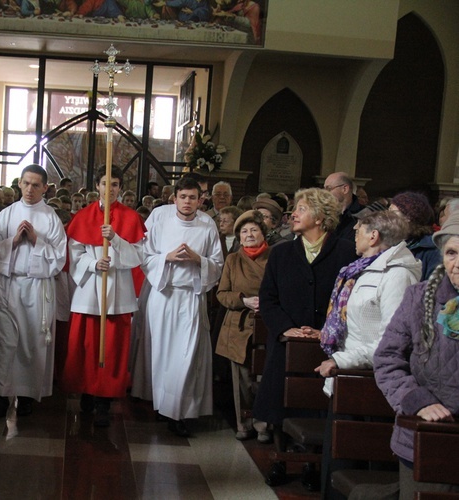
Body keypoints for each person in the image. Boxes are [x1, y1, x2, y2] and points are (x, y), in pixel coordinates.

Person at [311, 209, 420, 497]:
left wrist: (341, 359)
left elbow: (392, 340)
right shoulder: (361, 268)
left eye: (358, 230)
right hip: (350, 379)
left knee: (362, 473)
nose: (354, 235)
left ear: (374, 236)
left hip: (371, 383)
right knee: (336, 466)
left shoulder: (397, 276)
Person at [256, 187, 357, 488]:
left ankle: (312, 464)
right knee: (279, 403)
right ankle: (280, 460)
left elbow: (348, 299)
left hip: (324, 344)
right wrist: (285, 328)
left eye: (302, 208)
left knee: (314, 404)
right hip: (286, 343)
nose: (294, 214)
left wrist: (326, 329)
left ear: (321, 216)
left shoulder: (346, 251)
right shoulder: (282, 252)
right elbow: (268, 297)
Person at [374, 211, 459, 498]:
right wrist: (417, 401)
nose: (457, 264)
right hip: (426, 436)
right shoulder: (419, 297)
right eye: (451, 253)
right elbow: (387, 361)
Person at [130, 176, 224, 437]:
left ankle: (178, 412)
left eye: (193, 197)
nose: (187, 202)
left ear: (200, 200)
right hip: (163, 294)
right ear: (174, 198)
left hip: (191, 297)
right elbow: (142, 253)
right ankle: (162, 405)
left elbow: (217, 264)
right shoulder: (159, 217)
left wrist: (198, 260)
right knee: (161, 353)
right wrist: (167, 257)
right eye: (183, 197)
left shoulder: (207, 224)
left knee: (186, 355)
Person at [61, 166, 146, 427]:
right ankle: (87, 392)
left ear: (121, 188)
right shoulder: (84, 216)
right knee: (87, 347)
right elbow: (73, 252)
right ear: (96, 186)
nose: (110, 189)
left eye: (116, 184)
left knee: (111, 350)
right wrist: (92, 264)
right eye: (105, 184)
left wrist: (117, 239)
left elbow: (138, 256)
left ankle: (104, 402)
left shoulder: (131, 218)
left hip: (118, 292)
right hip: (89, 291)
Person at [0, 164, 67, 421]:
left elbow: (60, 258)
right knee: (2, 343)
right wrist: (14, 242)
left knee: (31, 343)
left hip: (36, 289)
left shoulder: (51, 217)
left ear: (45, 188)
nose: (30, 189)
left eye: (36, 185)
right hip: (8, 285)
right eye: (26, 183)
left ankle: (27, 397)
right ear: (20, 184)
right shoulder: (7, 214)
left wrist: (36, 241)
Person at [215, 210, 272, 443]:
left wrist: (266, 302)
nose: (249, 235)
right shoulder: (233, 259)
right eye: (244, 231)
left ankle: (264, 425)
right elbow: (222, 293)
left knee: (264, 378)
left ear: (263, 233)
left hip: (265, 324)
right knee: (241, 379)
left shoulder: (275, 256)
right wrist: (243, 300)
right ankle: (243, 423)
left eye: (254, 230)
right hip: (238, 326)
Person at [389, 191, 441, 281]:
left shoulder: (431, 249)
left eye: (392, 212)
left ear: (408, 217)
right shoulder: (387, 242)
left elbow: (433, 286)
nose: (387, 216)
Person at [323, 171, 363, 244]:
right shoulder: (323, 212)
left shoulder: (363, 214)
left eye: (328, 188)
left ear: (345, 189)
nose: (325, 193)